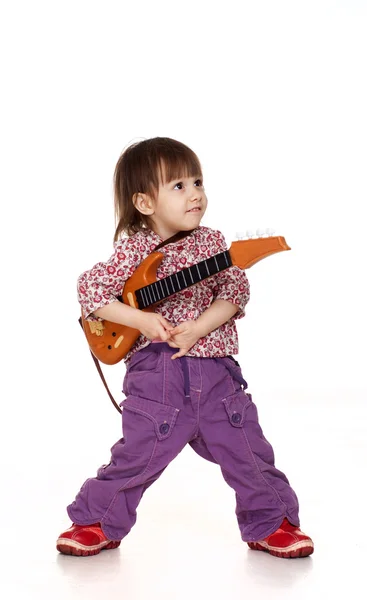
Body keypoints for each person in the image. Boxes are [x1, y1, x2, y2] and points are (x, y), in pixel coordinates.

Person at [56, 137, 314, 559]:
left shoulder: (215, 245)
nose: (195, 193)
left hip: (216, 374)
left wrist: (198, 328)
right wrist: (141, 320)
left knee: (248, 452)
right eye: (178, 186)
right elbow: (92, 290)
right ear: (143, 202)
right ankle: (95, 521)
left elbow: (234, 291)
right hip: (157, 376)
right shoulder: (135, 247)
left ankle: (273, 522)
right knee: (137, 455)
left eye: (197, 181)